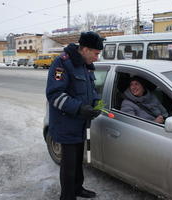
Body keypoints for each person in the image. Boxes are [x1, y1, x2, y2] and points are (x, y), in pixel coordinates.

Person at [46, 31, 105, 200]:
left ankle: (78, 188)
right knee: (69, 165)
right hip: (66, 124)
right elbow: (54, 95)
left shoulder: (85, 65)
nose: (97, 57)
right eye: (95, 53)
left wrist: (97, 105)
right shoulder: (62, 64)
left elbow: (92, 90)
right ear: (85, 49)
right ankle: (67, 196)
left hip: (81, 124)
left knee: (79, 160)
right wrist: (80, 108)